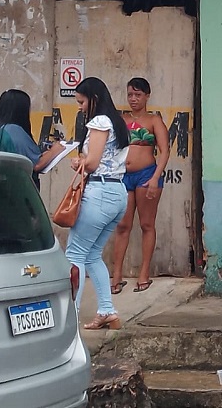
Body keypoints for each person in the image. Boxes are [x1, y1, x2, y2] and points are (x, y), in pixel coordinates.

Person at [67, 77, 131, 330]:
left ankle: (70, 315)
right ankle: (107, 310)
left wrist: (77, 162)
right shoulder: (117, 122)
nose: (80, 107)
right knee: (92, 255)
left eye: (81, 102)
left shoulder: (99, 122)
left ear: (93, 99)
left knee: (74, 255)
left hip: (100, 191)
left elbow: (92, 163)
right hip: (117, 193)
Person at [109, 78, 170, 294]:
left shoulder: (154, 121)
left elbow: (164, 151)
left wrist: (155, 177)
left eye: (138, 95)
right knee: (123, 226)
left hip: (146, 175)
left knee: (146, 225)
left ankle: (144, 273)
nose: (133, 99)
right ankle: (116, 274)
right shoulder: (120, 119)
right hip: (123, 176)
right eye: (130, 95)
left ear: (147, 96)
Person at [0, 89, 67, 189]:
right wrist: (56, 149)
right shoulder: (14, 130)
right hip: (19, 189)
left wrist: (45, 154)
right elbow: (36, 164)